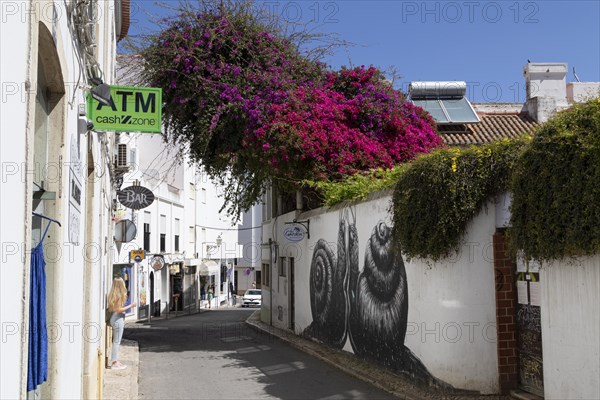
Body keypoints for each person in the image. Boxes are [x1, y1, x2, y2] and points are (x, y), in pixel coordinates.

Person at [107, 277, 136, 370]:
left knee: (116, 341)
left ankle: (116, 361)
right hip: (118, 319)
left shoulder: (112, 295)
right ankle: (114, 363)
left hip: (114, 318)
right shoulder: (119, 296)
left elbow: (113, 309)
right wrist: (130, 306)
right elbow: (118, 309)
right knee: (117, 341)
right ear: (121, 285)